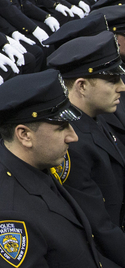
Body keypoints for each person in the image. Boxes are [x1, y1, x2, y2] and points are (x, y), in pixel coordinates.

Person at [0, 70, 118, 268]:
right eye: (61, 127)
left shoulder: (26, 162)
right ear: (24, 135)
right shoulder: (5, 216)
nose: (73, 136)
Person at [47, 32, 125, 266]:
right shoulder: (71, 143)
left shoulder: (93, 115)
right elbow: (98, 228)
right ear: (81, 86)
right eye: (112, 80)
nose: (121, 87)